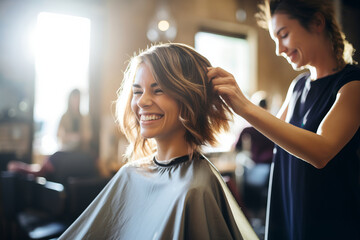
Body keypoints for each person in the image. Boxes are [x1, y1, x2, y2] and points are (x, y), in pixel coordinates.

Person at [58, 43, 258, 239]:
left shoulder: (196, 190)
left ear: (189, 98)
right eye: (137, 91)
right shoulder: (129, 174)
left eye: (158, 90)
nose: (142, 101)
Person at [207, 0, 360, 239]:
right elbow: (274, 136)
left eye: (284, 35)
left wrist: (246, 105)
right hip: (289, 218)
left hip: (331, 225)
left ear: (317, 22)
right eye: (274, 39)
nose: (279, 49)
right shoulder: (298, 86)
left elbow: (322, 151)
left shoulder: (352, 84)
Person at [7, 89, 96, 182]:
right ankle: (34, 170)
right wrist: (72, 137)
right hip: (66, 150)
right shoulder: (65, 117)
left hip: (79, 152)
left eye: (78, 99)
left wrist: (78, 137)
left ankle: (35, 170)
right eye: (74, 98)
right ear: (70, 100)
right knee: (54, 157)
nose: (76, 101)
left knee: (56, 158)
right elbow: (60, 136)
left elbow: (88, 136)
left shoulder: (84, 118)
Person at [235, 91, 274, 164]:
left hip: (259, 162)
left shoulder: (249, 129)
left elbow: (237, 146)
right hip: (271, 161)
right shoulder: (274, 128)